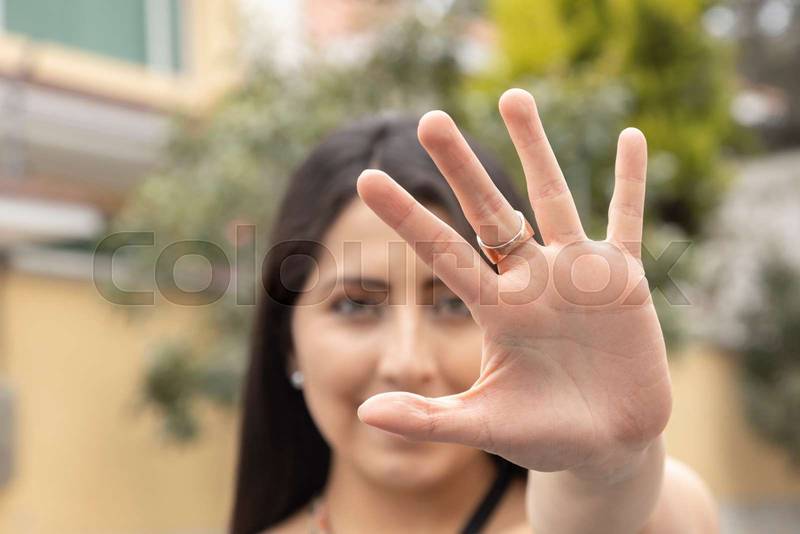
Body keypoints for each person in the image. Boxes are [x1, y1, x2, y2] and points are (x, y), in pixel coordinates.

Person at [231, 88, 719, 534]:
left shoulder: (642, 518)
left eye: (453, 304)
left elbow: (605, 513)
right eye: (355, 305)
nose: (407, 363)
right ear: (288, 343)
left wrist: (609, 466)